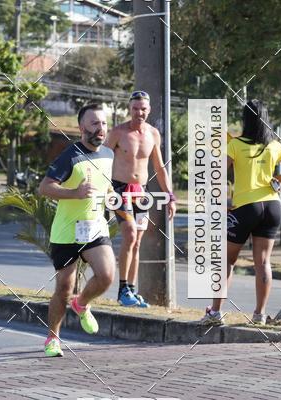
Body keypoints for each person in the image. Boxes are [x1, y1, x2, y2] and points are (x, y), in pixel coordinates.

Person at [201, 99, 281, 326]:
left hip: (246, 206)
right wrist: (277, 179)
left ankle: (215, 313)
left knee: (226, 260)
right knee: (263, 262)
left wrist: (221, 201)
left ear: (245, 120)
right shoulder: (274, 146)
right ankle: (259, 315)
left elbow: (216, 175)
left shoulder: (236, 145)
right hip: (272, 206)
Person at [38, 103, 115, 357]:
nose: (101, 128)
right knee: (64, 288)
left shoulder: (108, 155)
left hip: (95, 228)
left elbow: (106, 186)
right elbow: (45, 188)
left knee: (106, 275)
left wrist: (112, 196)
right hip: (67, 232)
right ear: (82, 128)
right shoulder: (70, 156)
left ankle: (81, 304)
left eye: (103, 123)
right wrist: (75, 193)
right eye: (95, 123)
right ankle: (53, 338)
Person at [106, 90, 176, 308]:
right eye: (135, 109)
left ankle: (131, 290)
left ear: (149, 109)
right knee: (129, 233)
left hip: (141, 192)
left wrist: (170, 196)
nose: (139, 113)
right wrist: (104, 190)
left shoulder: (153, 134)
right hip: (119, 189)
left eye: (143, 109)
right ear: (130, 109)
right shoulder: (118, 132)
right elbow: (102, 161)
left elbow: (160, 167)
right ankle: (122, 290)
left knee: (137, 242)